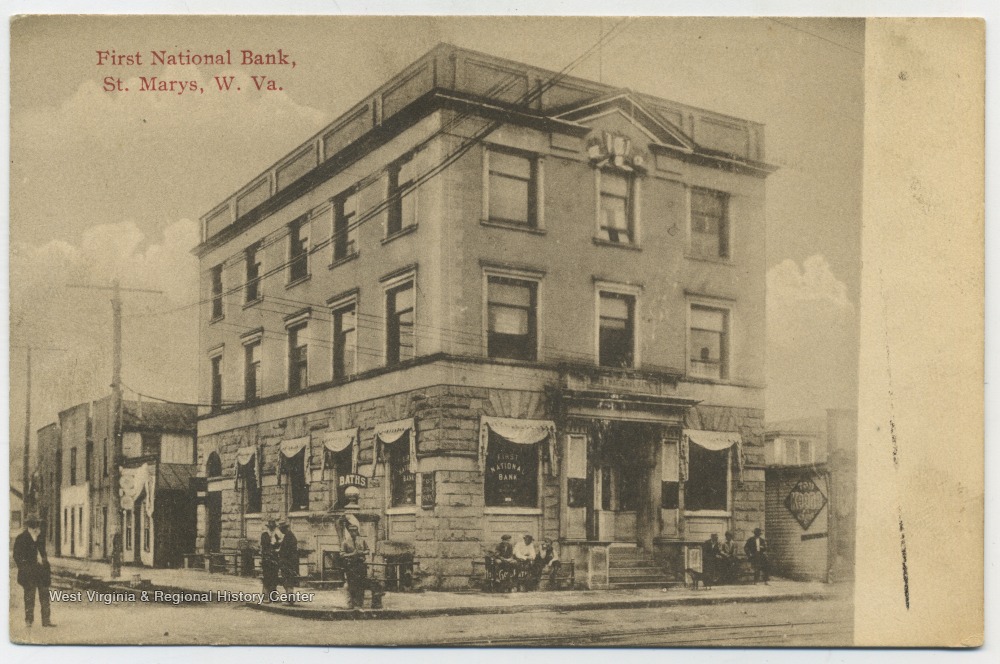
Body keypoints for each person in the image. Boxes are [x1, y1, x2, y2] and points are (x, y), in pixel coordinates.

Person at [13, 517, 54, 628]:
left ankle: (46, 621)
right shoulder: (21, 538)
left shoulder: (40, 538)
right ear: (32, 528)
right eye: (37, 527)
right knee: (29, 597)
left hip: (41, 572)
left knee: (45, 596)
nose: (39, 529)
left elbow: (43, 553)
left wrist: (45, 562)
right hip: (29, 574)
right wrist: (24, 568)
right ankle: (29, 620)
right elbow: (17, 556)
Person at [339, 515, 384, 609]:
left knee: (361, 585)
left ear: (357, 531)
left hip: (360, 565)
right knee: (352, 585)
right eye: (351, 531)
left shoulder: (362, 540)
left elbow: (368, 550)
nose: (353, 533)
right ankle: (352, 604)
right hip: (351, 566)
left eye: (355, 531)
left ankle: (360, 603)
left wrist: (362, 552)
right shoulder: (345, 542)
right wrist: (352, 554)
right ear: (349, 532)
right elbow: (342, 554)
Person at [276, 519, 299, 603]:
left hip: (288, 562)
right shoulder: (288, 535)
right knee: (287, 580)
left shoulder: (289, 536)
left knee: (288, 580)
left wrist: (280, 552)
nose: (280, 531)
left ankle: (290, 599)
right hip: (288, 562)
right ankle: (290, 598)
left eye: (281, 529)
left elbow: (287, 551)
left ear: (284, 528)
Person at [259, 518, 281, 598]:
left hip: (274, 559)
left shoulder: (276, 535)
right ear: (268, 527)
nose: (272, 529)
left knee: (274, 576)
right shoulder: (264, 535)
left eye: (273, 527)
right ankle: (265, 595)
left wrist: (277, 544)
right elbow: (264, 546)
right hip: (267, 559)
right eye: (271, 527)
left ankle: (273, 594)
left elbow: (278, 545)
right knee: (267, 576)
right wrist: (272, 545)